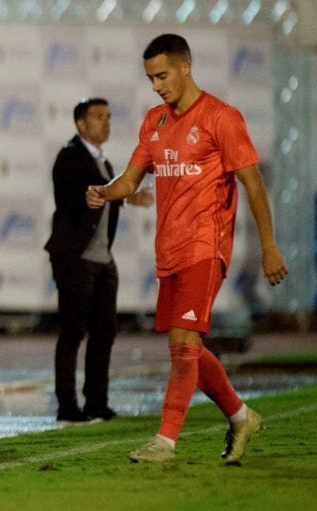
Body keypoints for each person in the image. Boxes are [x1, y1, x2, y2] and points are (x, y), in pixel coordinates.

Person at [86, 34, 288, 464]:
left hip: (205, 247)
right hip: (169, 251)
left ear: (185, 67)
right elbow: (131, 179)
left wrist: (269, 247)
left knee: (182, 347)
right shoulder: (154, 121)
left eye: (162, 75)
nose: (156, 85)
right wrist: (105, 192)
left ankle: (165, 441)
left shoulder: (221, 118)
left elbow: (253, 183)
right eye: (150, 78)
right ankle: (240, 415)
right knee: (189, 348)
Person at [45, 98, 153, 423]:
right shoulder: (71, 156)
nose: (106, 123)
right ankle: (67, 406)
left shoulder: (103, 161)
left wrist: (129, 196)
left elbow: (105, 190)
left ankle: (97, 402)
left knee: (105, 331)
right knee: (73, 332)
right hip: (75, 258)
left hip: (102, 259)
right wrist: (120, 193)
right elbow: (83, 191)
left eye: (109, 116)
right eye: (98, 117)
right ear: (81, 124)